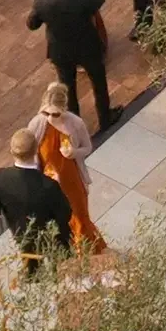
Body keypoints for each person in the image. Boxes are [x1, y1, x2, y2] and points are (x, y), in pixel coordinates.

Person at [27, 0, 113, 130]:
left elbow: (32, 24)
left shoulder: (43, 2)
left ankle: (75, 125)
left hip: (61, 53)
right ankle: (105, 118)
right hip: (88, 49)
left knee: (68, 90)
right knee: (99, 84)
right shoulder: (84, 0)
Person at [26, 82, 103, 251]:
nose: (51, 117)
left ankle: (88, 251)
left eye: (55, 114)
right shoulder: (37, 124)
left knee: (80, 216)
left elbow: (87, 147)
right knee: (59, 222)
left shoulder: (75, 123)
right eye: (47, 113)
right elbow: (30, 154)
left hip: (73, 179)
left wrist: (74, 152)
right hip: (50, 182)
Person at [0, 129, 73, 255]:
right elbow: (66, 213)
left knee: (33, 270)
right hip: (54, 241)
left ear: (12, 151)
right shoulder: (49, 185)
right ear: (36, 150)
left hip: (24, 238)